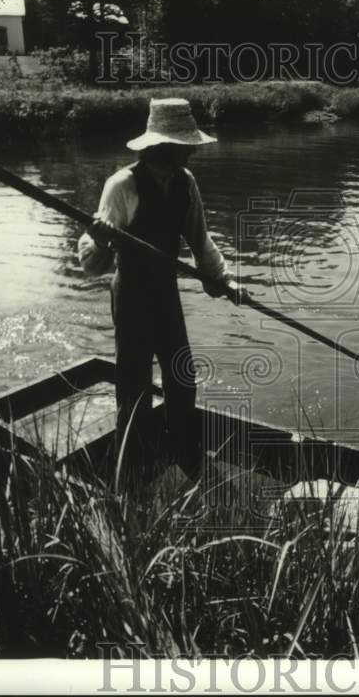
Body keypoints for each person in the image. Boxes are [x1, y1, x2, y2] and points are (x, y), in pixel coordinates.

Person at [78, 97, 243, 477]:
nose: (192, 152)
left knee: (182, 376)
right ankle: (130, 470)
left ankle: (185, 454)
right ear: (164, 146)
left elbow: (201, 241)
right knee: (133, 386)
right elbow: (91, 262)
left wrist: (226, 281)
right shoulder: (122, 186)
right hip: (132, 295)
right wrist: (100, 240)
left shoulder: (186, 183)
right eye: (186, 145)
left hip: (166, 293)